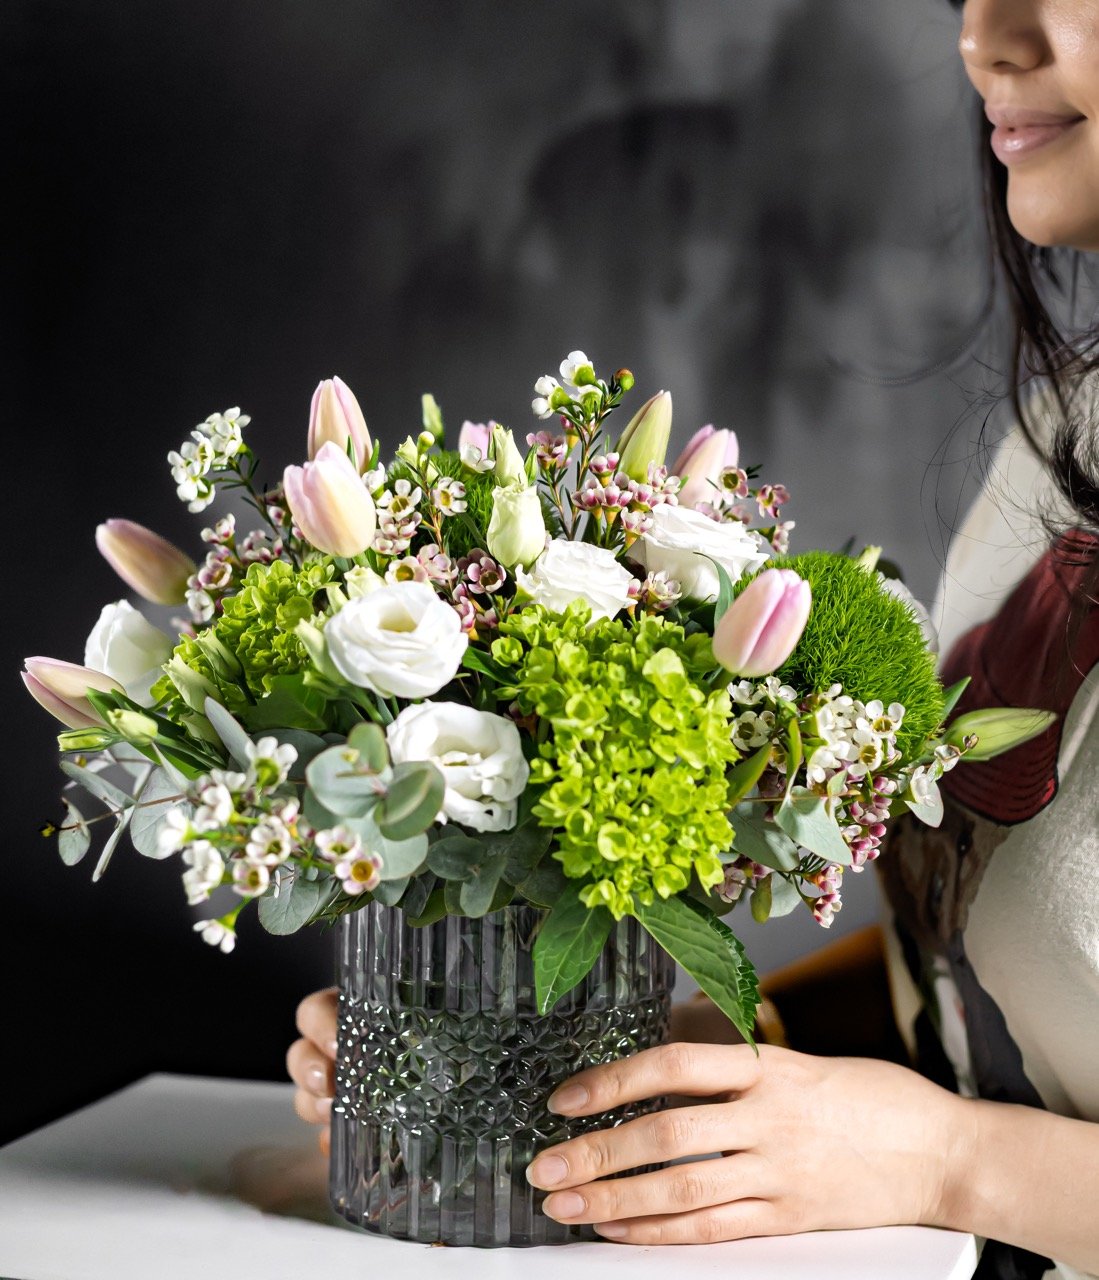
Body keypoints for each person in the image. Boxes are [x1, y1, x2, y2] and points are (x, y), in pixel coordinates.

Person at [288, 2, 1099, 1273]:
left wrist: (953, 1160)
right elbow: (971, 975)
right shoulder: (1062, 433)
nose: (988, 39)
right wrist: (665, 1060)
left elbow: (968, 1127)